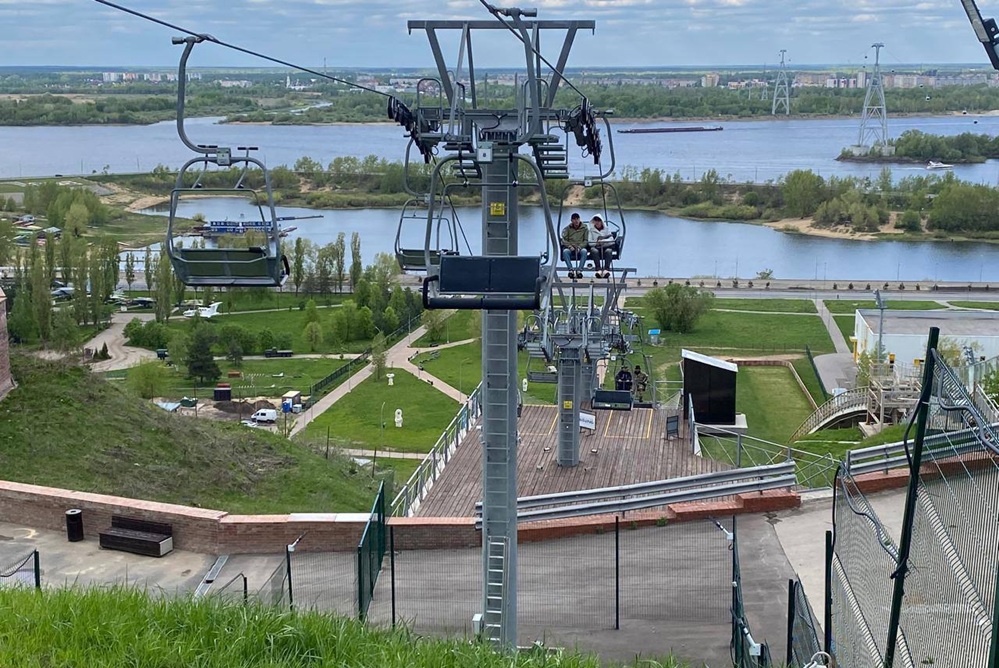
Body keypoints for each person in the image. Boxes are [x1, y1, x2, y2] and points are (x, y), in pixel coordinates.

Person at [560, 212, 588, 279]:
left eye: (577, 219)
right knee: (565, 252)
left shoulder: (584, 228)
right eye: (574, 219)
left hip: (580, 248)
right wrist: (569, 246)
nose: (576, 221)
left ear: (579, 219)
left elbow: (586, 240)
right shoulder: (567, 228)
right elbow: (564, 240)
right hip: (571, 247)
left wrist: (580, 247)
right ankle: (571, 270)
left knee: (584, 251)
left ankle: (579, 271)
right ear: (571, 220)